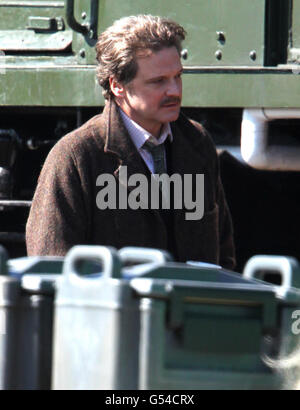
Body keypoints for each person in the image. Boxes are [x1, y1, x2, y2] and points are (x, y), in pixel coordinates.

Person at [26, 15, 235, 269]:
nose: (175, 91)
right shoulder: (76, 157)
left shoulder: (197, 144)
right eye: (158, 81)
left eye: (177, 76)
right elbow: (51, 269)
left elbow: (224, 257)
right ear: (117, 85)